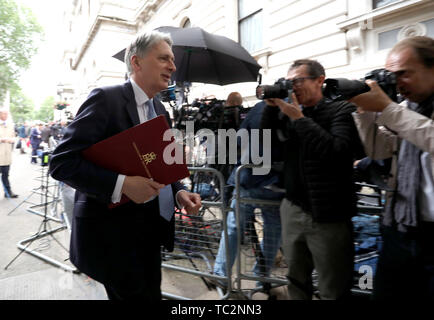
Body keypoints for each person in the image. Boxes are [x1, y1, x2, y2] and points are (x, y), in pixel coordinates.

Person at [49, 30, 202, 300]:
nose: (173, 66)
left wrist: (178, 191)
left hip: (152, 234)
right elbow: (62, 162)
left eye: (173, 60)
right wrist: (123, 184)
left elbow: (160, 166)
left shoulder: (161, 110)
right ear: (137, 62)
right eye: (164, 58)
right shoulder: (105, 99)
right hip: (115, 239)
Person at [261, 59, 364, 299]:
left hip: (330, 215)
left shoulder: (342, 109)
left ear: (320, 80)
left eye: (298, 80)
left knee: (333, 287)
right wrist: (271, 108)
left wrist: (299, 119)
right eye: (289, 83)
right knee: (296, 281)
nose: (293, 87)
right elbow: (265, 145)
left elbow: (337, 152)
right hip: (293, 209)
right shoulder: (290, 112)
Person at [350, 36, 434, 300]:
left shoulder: (400, 113)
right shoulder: (405, 109)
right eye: (391, 75)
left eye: (403, 74)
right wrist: (364, 112)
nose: (396, 82)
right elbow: (378, 151)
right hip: (400, 223)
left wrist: (388, 109)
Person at [213, 100, 284, 289]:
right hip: (276, 184)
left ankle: (221, 274)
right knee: (273, 232)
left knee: (233, 228)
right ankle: (261, 278)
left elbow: (238, 139)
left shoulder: (260, 107)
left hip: (248, 178)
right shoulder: (297, 110)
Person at [0, 109, 18, 198]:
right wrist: (2, 140)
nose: (6, 115)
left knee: (6, 174)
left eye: (7, 114)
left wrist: (12, 140)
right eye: (4, 114)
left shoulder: (10, 125)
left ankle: (8, 192)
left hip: (6, 155)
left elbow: (14, 137)